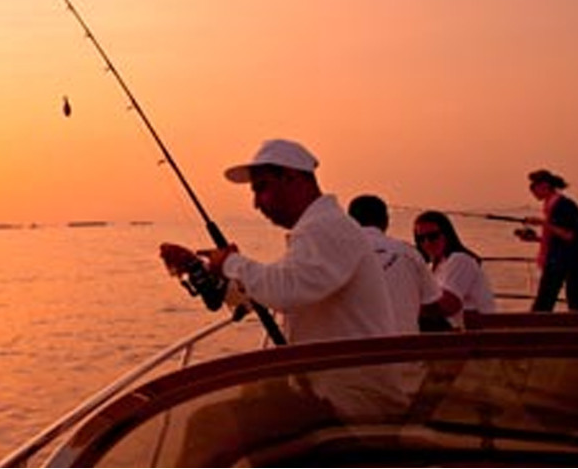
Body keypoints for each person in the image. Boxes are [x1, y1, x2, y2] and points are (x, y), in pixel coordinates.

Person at [159, 139, 405, 464]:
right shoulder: (320, 230)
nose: (255, 204)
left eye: (261, 188)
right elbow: (272, 290)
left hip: (352, 401)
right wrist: (199, 267)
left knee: (207, 424)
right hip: (329, 390)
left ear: (292, 177)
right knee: (246, 399)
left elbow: (286, 292)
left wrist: (231, 263)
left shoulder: (327, 228)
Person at [348, 194, 441, 334]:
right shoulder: (410, 253)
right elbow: (432, 303)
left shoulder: (338, 254)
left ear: (349, 222)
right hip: (405, 342)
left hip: (356, 343)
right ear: (386, 221)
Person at [518, 169, 578, 312]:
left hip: (576, 263)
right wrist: (535, 238)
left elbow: (569, 235)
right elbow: (558, 239)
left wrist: (543, 223)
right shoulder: (551, 206)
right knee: (544, 302)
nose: (532, 191)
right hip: (558, 261)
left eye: (533, 186)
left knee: (574, 304)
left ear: (545, 186)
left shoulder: (564, 205)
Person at [413, 210, 496, 329]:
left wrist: (409, 305)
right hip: (453, 329)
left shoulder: (460, 260)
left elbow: (448, 306)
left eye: (433, 236)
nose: (427, 243)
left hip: (472, 331)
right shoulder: (434, 267)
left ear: (447, 234)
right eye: (421, 238)